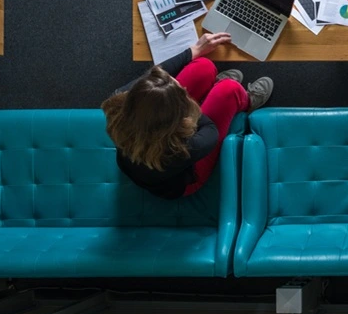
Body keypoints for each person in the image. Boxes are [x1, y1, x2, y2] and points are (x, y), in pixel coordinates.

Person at [102, 33, 274, 199]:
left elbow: (156, 75)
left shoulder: (121, 101)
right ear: (176, 117)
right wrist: (189, 106)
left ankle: (210, 89)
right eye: (182, 93)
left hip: (157, 130)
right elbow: (210, 131)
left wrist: (194, 50)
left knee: (203, 67)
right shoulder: (177, 150)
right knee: (229, 90)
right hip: (184, 178)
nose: (183, 87)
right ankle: (246, 101)